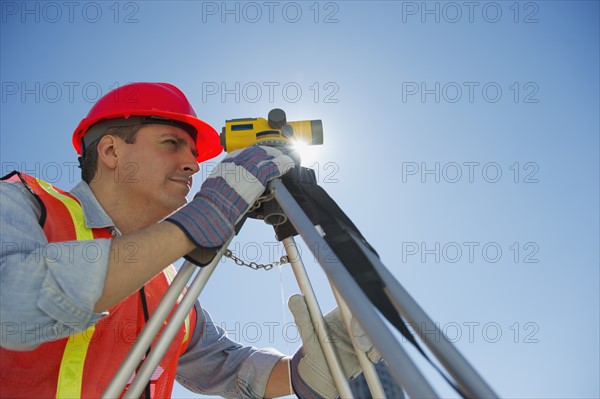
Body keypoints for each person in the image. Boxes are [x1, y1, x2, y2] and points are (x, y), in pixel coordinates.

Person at [0, 82, 401, 398]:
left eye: (193, 151)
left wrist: (306, 371)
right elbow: (13, 306)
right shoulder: (22, 202)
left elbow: (229, 368)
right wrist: (198, 223)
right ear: (109, 151)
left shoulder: (168, 290)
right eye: (171, 144)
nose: (193, 163)